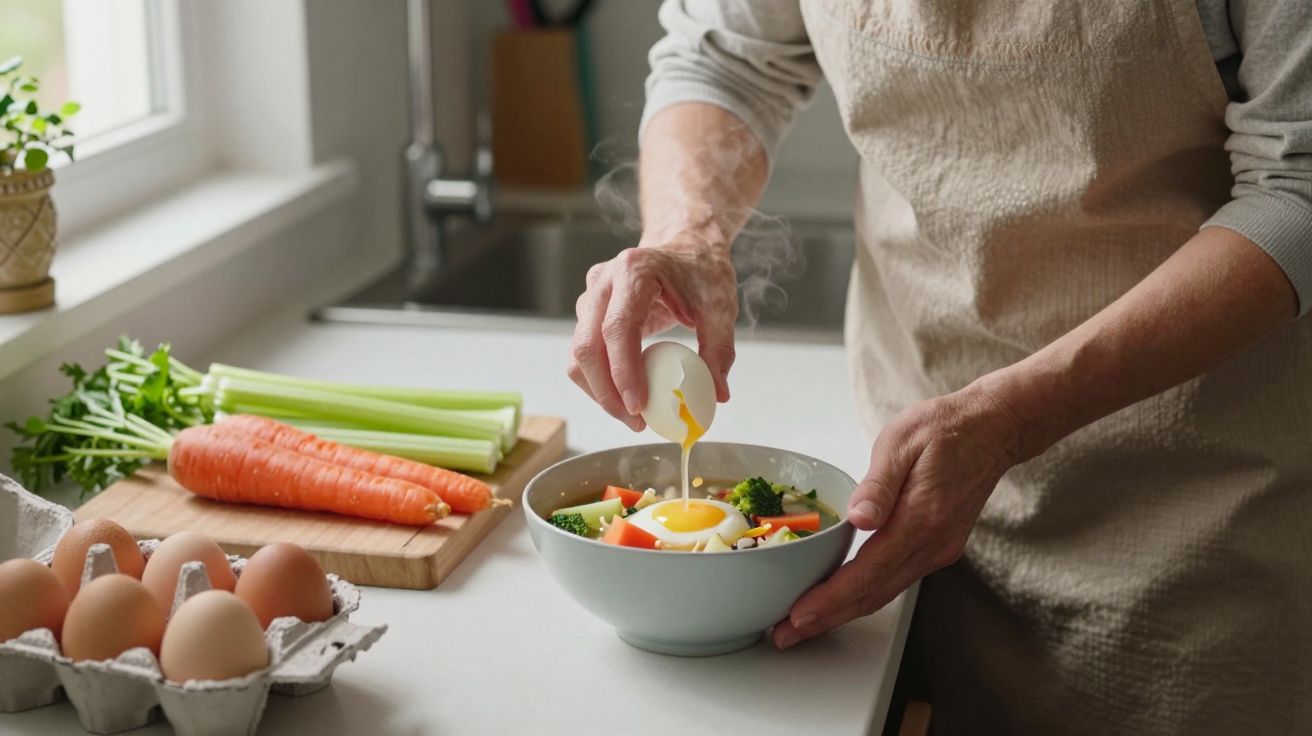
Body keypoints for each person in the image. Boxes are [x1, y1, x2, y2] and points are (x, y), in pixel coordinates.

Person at [567, 1, 1312, 733]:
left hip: (1199, 513)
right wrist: (688, 233)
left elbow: (1297, 190)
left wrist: (1015, 416)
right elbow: (723, 57)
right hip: (904, 488)